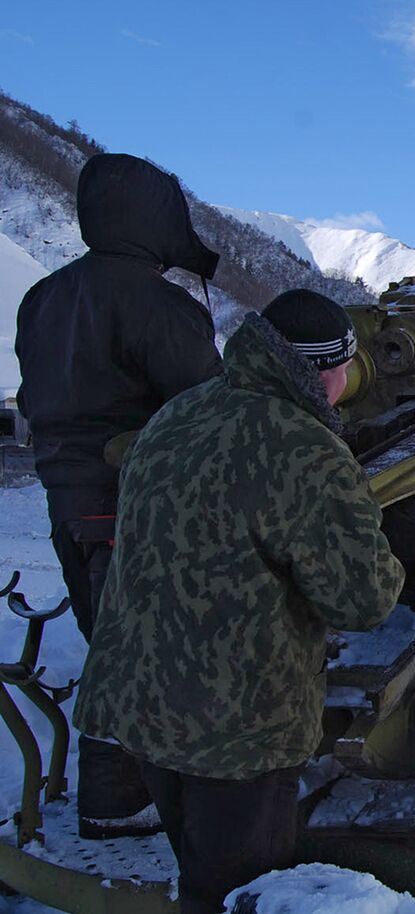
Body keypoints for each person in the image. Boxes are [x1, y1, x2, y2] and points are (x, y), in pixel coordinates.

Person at [72, 289, 406, 914]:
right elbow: (364, 600)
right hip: (238, 729)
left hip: (143, 706)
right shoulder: (304, 449)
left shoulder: (175, 416)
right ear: (329, 370)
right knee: (244, 893)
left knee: (199, 872)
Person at [14, 152, 224, 838]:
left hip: (68, 504)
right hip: (136, 508)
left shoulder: (43, 298)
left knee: (109, 643)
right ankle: (120, 802)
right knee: (141, 657)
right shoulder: (158, 306)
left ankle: (124, 791)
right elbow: (208, 411)